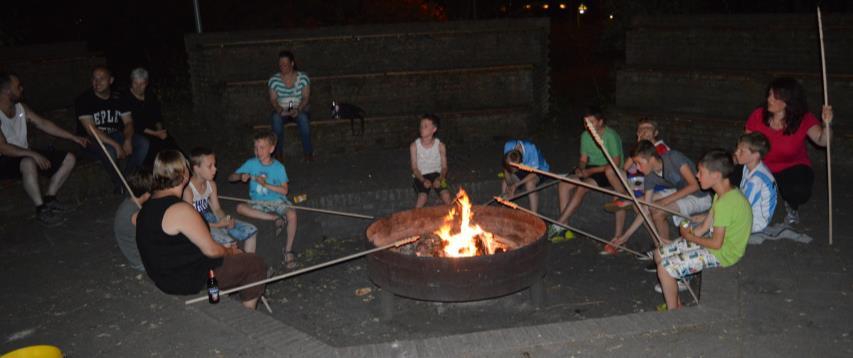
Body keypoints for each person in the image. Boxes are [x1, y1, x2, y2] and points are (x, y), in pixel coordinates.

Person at [136, 150, 267, 310]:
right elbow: (211, 251)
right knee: (254, 263)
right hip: (185, 279)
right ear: (185, 176)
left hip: (163, 275)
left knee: (231, 256)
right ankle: (248, 314)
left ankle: (226, 294)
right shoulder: (180, 209)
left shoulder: (145, 209)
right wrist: (230, 252)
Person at [654, 150, 752, 310]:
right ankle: (676, 302)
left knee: (665, 268)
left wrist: (690, 238)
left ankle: (674, 314)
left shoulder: (726, 203)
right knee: (660, 253)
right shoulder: (721, 194)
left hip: (725, 254)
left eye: (701, 172)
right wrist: (681, 240)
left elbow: (716, 244)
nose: (697, 175)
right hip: (716, 246)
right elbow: (705, 227)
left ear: (716, 175)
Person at [0, 73, 88, 226]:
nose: (22, 88)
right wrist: (32, 154)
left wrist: (72, 137)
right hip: (5, 160)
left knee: (69, 159)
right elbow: (4, 148)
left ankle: (50, 199)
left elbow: (44, 124)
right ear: (7, 91)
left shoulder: (21, 108)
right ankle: (41, 209)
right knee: (28, 162)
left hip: (24, 153)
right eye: (18, 86)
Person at [745, 77, 832, 225]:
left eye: (774, 96)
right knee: (729, 172)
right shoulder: (758, 115)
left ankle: (792, 205)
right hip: (761, 166)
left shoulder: (804, 118)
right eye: (769, 94)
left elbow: (823, 141)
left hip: (791, 167)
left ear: (787, 101)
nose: (769, 99)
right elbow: (746, 144)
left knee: (799, 190)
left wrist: (827, 124)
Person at [612, 140, 711, 269]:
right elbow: (646, 208)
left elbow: (695, 185)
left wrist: (664, 201)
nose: (637, 168)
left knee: (658, 210)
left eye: (639, 163)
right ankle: (660, 247)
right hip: (679, 192)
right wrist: (625, 236)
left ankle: (666, 255)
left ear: (651, 159)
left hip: (700, 196)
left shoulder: (673, 157)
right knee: (641, 206)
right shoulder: (649, 177)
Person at [551, 107, 625, 241]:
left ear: (600, 122)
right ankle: (565, 228)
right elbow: (583, 159)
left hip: (608, 170)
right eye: (586, 122)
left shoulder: (610, 136)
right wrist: (581, 168)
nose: (587, 125)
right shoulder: (585, 136)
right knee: (564, 184)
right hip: (591, 168)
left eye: (591, 122)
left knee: (582, 187)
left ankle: (558, 224)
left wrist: (589, 171)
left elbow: (615, 163)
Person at [229, 131, 298, 269]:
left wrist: (266, 185)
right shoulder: (251, 163)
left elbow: (285, 191)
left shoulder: (279, 167)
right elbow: (231, 177)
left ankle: (288, 251)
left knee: (292, 214)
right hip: (258, 203)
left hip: (276, 200)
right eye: (256, 148)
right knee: (240, 207)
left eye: (262, 148)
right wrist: (241, 176)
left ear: (271, 149)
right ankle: (274, 219)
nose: (258, 151)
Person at [75, 66, 148, 193]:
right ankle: (119, 184)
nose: (97, 82)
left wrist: (127, 140)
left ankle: (128, 178)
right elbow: (91, 131)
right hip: (90, 140)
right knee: (110, 151)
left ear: (111, 80)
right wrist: (116, 145)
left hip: (115, 134)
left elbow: (129, 122)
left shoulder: (118, 97)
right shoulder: (84, 100)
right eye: (94, 78)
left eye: (102, 78)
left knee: (143, 143)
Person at [185, 147, 259, 253]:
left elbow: (217, 209)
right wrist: (218, 225)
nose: (215, 169)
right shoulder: (188, 191)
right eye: (210, 166)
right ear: (197, 168)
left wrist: (226, 220)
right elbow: (192, 223)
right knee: (229, 243)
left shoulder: (211, 184)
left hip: (210, 219)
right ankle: (241, 264)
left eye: (214, 165)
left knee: (251, 231)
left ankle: (249, 263)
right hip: (198, 226)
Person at [605, 117, 670, 212]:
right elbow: (625, 168)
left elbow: (654, 175)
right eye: (641, 129)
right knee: (610, 170)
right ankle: (626, 196)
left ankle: (629, 198)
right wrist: (638, 145)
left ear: (656, 133)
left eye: (648, 128)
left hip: (653, 185)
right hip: (636, 181)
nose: (644, 131)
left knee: (621, 199)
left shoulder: (661, 148)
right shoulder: (640, 146)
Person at [124, 68, 182, 167]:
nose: (138, 87)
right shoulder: (125, 98)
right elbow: (135, 124)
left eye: (141, 84)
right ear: (131, 82)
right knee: (152, 149)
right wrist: (155, 134)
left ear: (146, 83)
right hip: (138, 132)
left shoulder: (150, 95)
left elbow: (157, 115)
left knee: (170, 145)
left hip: (154, 130)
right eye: (135, 83)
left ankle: (182, 167)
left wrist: (160, 129)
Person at [268, 50, 313, 162]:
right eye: (281, 64)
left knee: (303, 119)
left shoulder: (302, 78)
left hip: (299, 107)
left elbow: (306, 98)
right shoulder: (274, 80)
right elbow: (273, 100)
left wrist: (298, 109)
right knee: (276, 119)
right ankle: (279, 154)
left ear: (292, 63)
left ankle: (308, 153)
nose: (282, 67)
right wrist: (279, 110)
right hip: (282, 109)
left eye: (285, 64)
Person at [734, 132, 777, 234]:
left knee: (719, 224)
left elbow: (743, 207)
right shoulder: (748, 166)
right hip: (750, 210)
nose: (736, 152)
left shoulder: (756, 180)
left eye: (741, 151)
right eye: (737, 149)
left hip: (757, 222)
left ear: (755, 155)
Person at [113, 170, 152, 271]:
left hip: (135, 256)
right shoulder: (135, 214)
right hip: (140, 261)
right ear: (147, 194)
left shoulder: (127, 203)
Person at [410, 114, 451, 208]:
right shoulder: (414, 146)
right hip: (420, 175)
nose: (422, 128)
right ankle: (415, 217)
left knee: (446, 195)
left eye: (425, 126)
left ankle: (453, 218)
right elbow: (414, 168)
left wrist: (440, 178)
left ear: (434, 129)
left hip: (438, 174)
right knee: (422, 197)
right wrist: (423, 180)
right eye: (421, 126)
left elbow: (444, 167)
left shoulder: (440, 145)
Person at [501, 139, 550, 213]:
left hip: (540, 170)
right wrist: (509, 185)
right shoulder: (508, 146)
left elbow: (534, 173)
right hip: (523, 170)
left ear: (521, 163)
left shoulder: (531, 149)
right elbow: (506, 168)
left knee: (529, 184)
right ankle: (504, 205)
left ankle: (534, 214)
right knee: (505, 181)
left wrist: (516, 185)